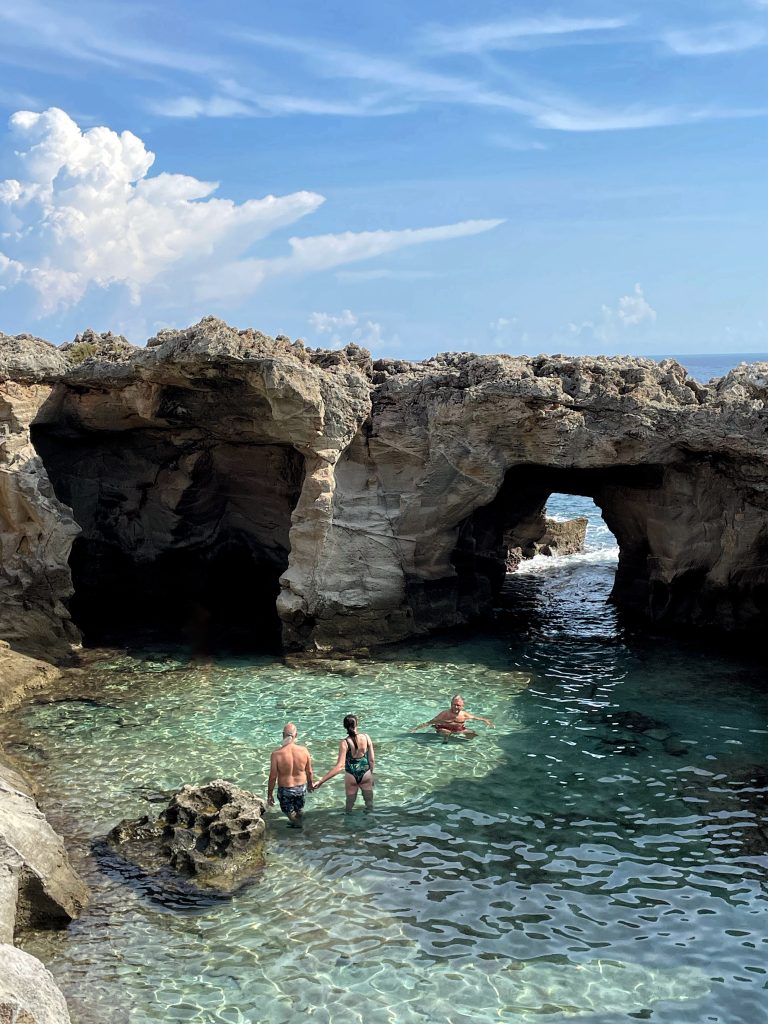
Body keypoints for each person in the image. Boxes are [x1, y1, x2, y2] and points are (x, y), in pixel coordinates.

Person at [313, 714, 375, 813]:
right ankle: (371, 825)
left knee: (349, 807)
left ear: (345, 726)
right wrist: (371, 774)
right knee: (370, 804)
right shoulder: (366, 737)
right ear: (357, 724)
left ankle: (348, 826)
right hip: (366, 773)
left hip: (351, 775)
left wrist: (321, 781)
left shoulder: (345, 743)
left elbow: (340, 766)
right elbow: (371, 760)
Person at [267, 722, 315, 828]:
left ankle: (297, 825)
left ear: (283, 735)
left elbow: (273, 777)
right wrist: (311, 784)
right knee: (299, 809)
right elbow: (309, 771)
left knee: (288, 811)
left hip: (285, 790)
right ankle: (298, 825)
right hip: (301, 788)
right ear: (296, 735)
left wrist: (269, 794)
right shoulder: (304, 751)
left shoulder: (276, 754)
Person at [411, 694, 494, 740]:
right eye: (454, 705)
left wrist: (486, 721)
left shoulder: (464, 715)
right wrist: (415, 729)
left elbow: (477, 718)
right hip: (443, 728)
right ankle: (445, 741)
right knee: (446, 733)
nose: (456, 707)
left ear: (462, 706)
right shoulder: (445, 714)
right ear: (451, 705)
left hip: (458, 729)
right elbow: (430, 722)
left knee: (473, 735)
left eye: (458, 705)